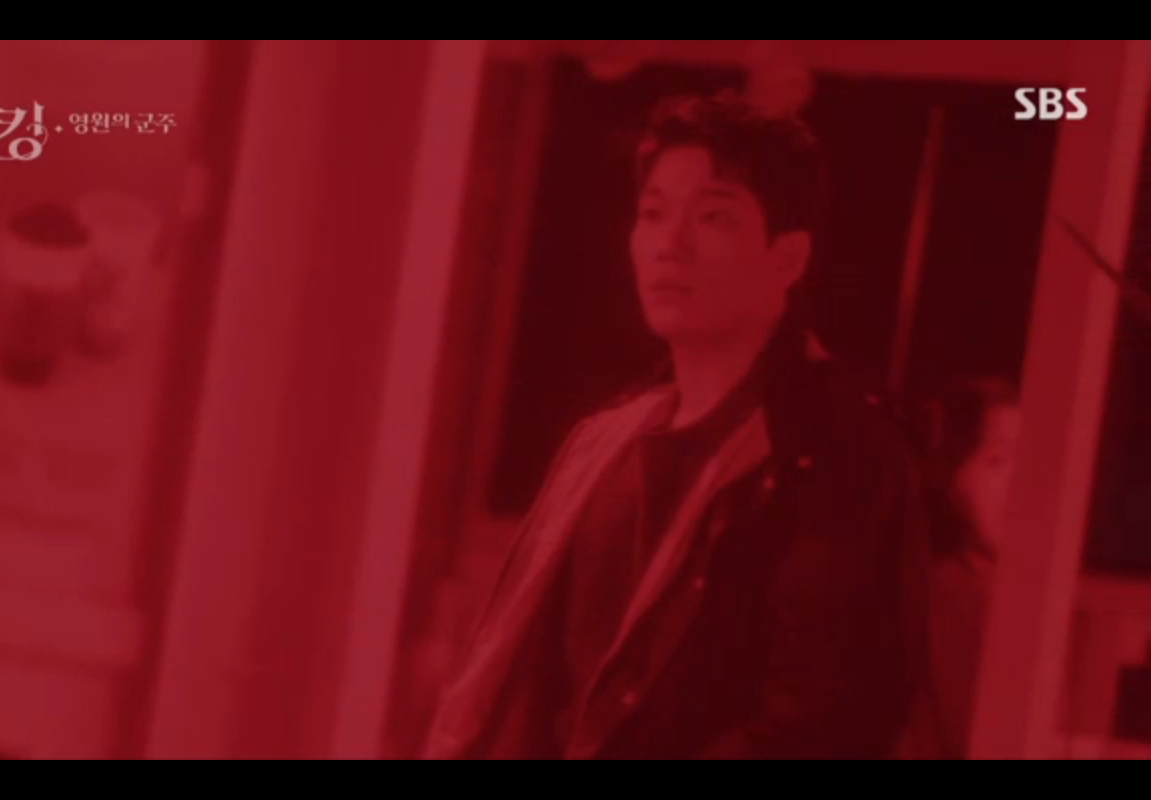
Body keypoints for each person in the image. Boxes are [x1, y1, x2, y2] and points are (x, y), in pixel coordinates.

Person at [424, 89, 931, 760]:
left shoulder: (836, 451)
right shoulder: (605, 442)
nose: (670, 244)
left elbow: (826, 718)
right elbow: (534, 689)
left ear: (788, 257)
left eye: (713, 216)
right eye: (654, 214)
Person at [899, 377, 1021, 759]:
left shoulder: (1009, 587)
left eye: (1030, 461)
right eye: (997, 461)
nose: (1019, 483)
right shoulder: (957, 587)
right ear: (952, 475)